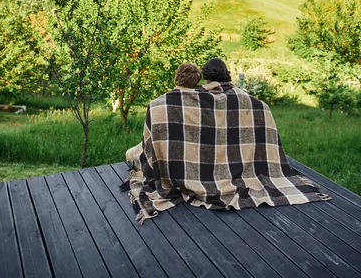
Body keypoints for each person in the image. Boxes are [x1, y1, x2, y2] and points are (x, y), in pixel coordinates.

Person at [123, 57, 330, 224]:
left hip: (191, 169)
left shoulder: (188, 100)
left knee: (133, 156)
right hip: (245, 174)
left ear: (205, 77)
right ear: (227, 75)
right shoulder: (255, 104)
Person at [125, 63, 201, 168]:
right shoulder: (204, 103)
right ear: (196, 81)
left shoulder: (156, 104)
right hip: (193, 154)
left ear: (176, 78)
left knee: (129, 153)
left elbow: (147, 140)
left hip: (164, 157)